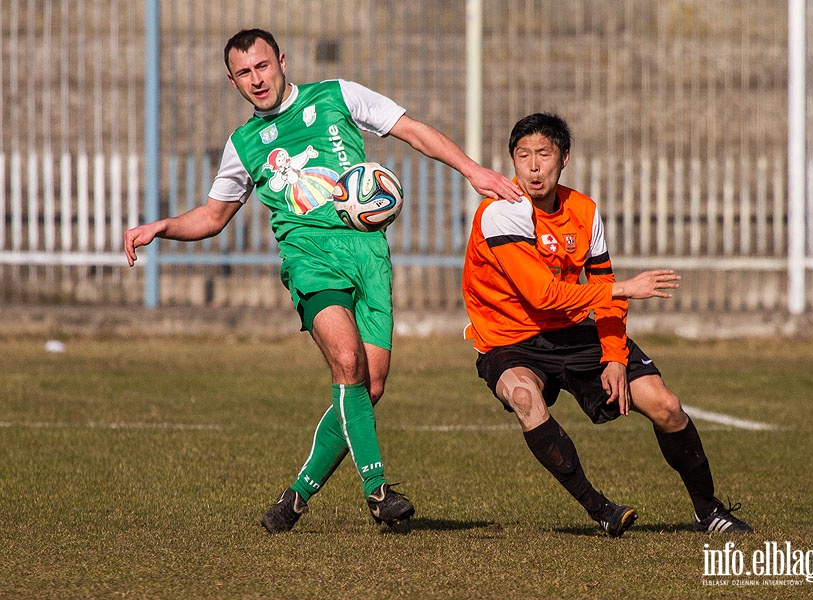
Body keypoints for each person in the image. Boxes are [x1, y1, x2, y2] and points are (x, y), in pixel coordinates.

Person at [124, 28, 523, 533]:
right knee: (348, 361)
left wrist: (473, 170)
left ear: (282, 61)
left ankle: (295, 497)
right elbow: (212, 216)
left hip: (368, 255)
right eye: (244, 73)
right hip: (309, 260)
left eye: (263, 66)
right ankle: (378, 492)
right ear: (232, 81)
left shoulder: (337, 95)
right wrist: (161, 226)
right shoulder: (243, 144)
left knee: (368, 385)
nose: (257, 79)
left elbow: (412, 129)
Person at [461, 113, 753, 537]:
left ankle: (709, 511)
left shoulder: (583, 210)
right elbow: (543, 295)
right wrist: (625, 288)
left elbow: (602, 288)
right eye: (522, 156)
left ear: (565, 158)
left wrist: (615, 356)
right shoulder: (501, 213)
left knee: (666, 406)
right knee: (524, 396)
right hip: (509, 340)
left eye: (544, 154)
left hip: (572, 331)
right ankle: (601, 509)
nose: (533, 166)